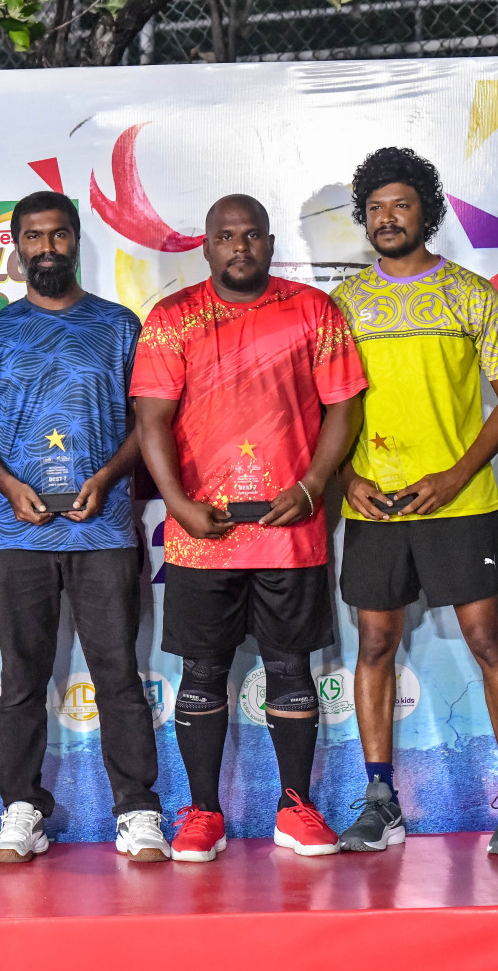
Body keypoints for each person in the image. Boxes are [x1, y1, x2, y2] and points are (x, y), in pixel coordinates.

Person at [133, 195, 366, 862]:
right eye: (225, 237)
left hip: (289, 525)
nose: (239, 247)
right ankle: (203, 813)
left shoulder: (313, 311)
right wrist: (176, 502)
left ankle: (295, 808)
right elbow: (151, 421)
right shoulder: (173, 319)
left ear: (269, 243)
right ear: (205, 247)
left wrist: (312, 487)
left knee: (291, 669)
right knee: (203, 673)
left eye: (251, 236)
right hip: (202, 532)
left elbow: (343, 411)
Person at [332, 148, 498, 856]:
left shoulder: (471, 294)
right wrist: (343, 480)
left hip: (460, 503)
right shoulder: (346, 304)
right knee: (376, 643)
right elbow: (329, 408)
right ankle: (381, 800)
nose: (388, 218)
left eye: (402, 205)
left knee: (487, 641)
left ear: (428, 211)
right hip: (376, 504)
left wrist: (453, 476)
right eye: (377, 208)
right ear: (366, 219)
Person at [0, 191, 169, 865]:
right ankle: (21, 808)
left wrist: (107, 478)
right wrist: (10, 487)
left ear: (76, 240)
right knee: (22, 679)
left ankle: (137, 808)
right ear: (17, 245)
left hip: (103, 531)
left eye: (57, 235)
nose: (45, 247)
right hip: (17, 533)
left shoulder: (118, 327)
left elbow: (149, 427)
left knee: (117, 673)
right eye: (33, 236)